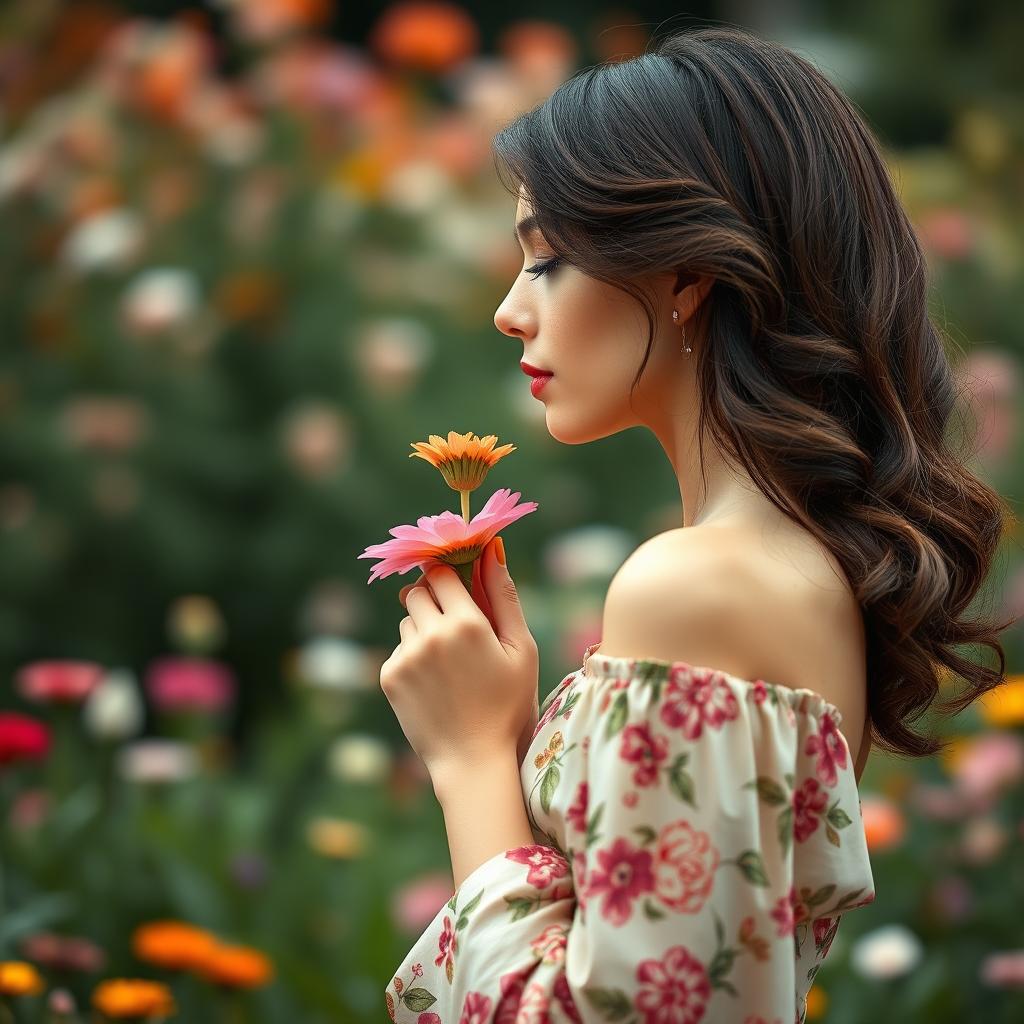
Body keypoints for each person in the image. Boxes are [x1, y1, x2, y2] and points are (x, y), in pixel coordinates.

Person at [387, 23, 1015, 1024]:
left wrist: (469, 757)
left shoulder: (699, 585)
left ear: (684, 275)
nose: (510, 309)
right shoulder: (792, 571)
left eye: (547, 259)